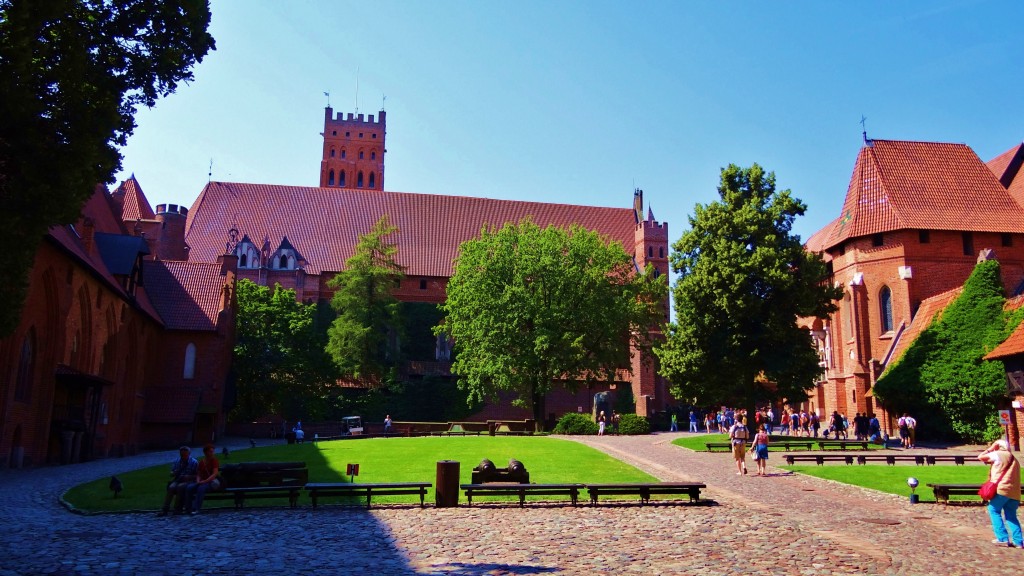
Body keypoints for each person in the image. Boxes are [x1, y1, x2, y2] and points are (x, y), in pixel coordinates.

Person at [978, 439, 1022, 548]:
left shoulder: (998, 454)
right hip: (1015, 492)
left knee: (993, 510)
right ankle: (1019, 541)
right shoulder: (1014, 459)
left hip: (1002, 490)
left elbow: (980, 457)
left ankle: (1002, 538)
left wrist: (990, 448)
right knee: (1011, 516)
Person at [158, 446, 198, 516]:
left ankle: (177, 508)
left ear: (189, 454)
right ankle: (165, 509)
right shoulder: (177, 461)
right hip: (178, 479)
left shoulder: (194, 462)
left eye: (185, 455)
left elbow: (197, 475)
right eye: (182, 455)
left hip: (189, 481)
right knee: (171, 488)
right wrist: (174, 473)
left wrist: (188, 477)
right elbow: (171, 473)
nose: (183, 456)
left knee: (180, 487)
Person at [187, 443, 221, 515]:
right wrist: (198, 481)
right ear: (205, 452)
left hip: (210, 482)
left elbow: (214, 474)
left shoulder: (214, 461)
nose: (212, 453)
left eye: (212, 451)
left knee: (201, 489)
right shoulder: (202, 462)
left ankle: (196, 508)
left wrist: (205, 481)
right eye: (210, 451)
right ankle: (188, 508)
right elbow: (198, 474)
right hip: (202, 481)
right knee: (189, 488)